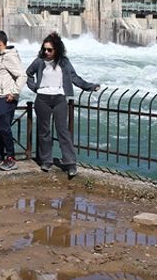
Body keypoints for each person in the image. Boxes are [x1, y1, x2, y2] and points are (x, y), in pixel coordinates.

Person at [26, 32, 101, 178]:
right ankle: (46, 160)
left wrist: (89, 86)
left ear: (57, 49)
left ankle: (70, 163)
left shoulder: (64, 62)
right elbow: (28, 73)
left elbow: (74, 77)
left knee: (63, 131)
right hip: (42, 98)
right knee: (44, 132)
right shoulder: (39, 61)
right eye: (44, 49)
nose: (46, 52)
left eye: (50, 49)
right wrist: (35, 87)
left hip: (59, 98)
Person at [0, 30, 24, 171]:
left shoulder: (9, 57)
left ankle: (11, 158)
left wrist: (14, 93)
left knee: (4, 129)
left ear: (0, 43)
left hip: (5, 99)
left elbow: (22, 76)